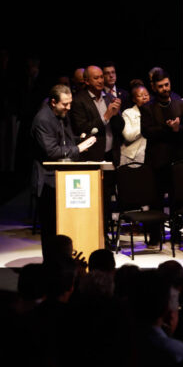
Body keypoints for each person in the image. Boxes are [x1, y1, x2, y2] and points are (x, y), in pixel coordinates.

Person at [31, 85, 97, 244]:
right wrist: (78, 148)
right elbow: (52, 151)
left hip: (63, 178)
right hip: (48, 181)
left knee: (65, 226)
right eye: (65, 104)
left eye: (70, 103)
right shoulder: (43, 119)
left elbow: (65, 142)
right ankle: (51, 259)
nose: (69, 107)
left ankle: (66, 256)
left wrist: (80, 140)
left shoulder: (62, 115)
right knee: (51, 228)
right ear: (53, 102)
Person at [141, 70, 183, 247]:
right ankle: (155, 235)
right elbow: (147, 132)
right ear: (154, 87)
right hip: (157, 160)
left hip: (178, 159)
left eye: (167, 85)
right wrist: (168, 129)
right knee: (155, 200)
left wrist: (177, 129)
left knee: (177, 200)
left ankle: (176, 234)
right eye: (160, 86)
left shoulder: (180, 104)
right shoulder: (148, 107)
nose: (165, 89)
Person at [70, 65, 121, 162]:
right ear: (87, 81)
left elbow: (120, 128)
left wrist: (116, 115)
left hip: (112, 154)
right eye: (96, 78)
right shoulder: (79, 100)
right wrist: (105, 117)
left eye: (101, 77)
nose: (100, 81)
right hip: (91, 155)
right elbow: (82, 128)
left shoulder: (110, 97)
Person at [120, 81, 150, 166]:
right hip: (132, 157)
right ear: (134, 99)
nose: (144, 97)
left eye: (146, 95)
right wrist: (145, 122)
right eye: (140, 96)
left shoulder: (155, 111)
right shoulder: (128, 113)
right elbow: (129, 136)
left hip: (151, 155)